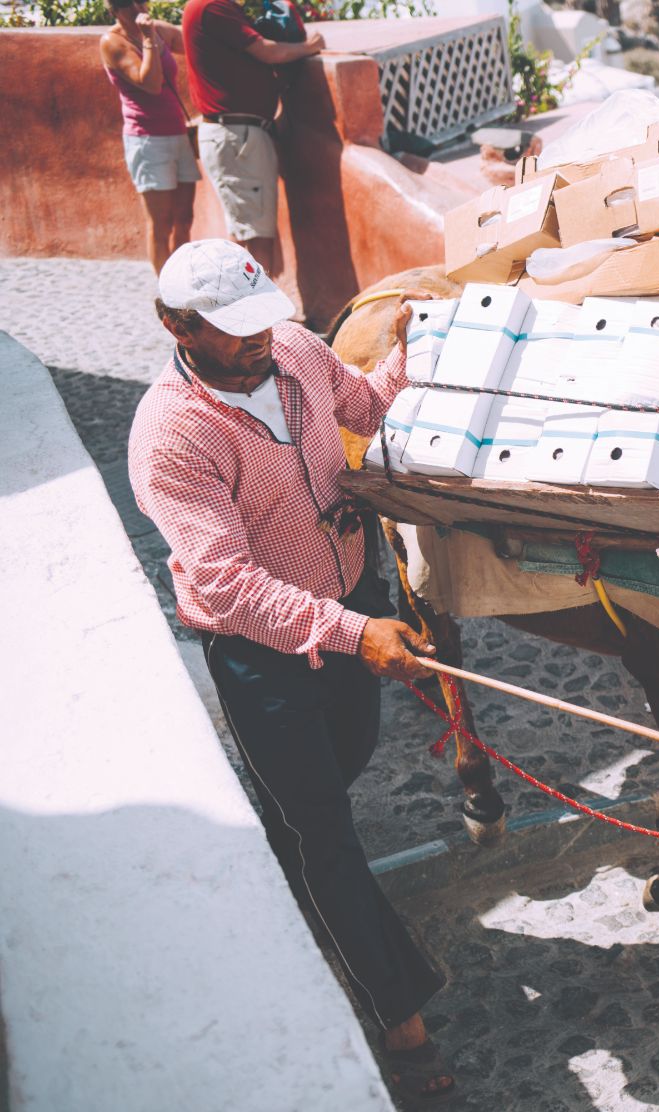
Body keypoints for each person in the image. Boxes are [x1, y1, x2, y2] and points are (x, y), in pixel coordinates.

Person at [128, 239, 457, 1104]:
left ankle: (283, 855)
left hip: (351, 612)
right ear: (176, 327)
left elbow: (368, 405)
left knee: (333, 779)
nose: (257, 340)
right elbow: (226, 586)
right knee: (326, 835)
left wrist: (415, 352)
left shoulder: (294, 348)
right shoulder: (172, 436)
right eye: (232, 331)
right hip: (263, 658)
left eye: (260, 319)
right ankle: (402, 1020)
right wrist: (353, 633)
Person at [181, 0, 322, 273]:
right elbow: (266, 52)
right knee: (255, 240)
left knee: (250, 232)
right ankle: (257, 313)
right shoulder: (213, 7)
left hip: (238, 135)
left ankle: (252, 310)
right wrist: (310, 45)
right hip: (237, 137)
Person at [100, 0, 197, 274]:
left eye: (141, 1)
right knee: (161, 222)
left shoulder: (160, 31)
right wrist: (148, 40)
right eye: (129, 4)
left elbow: (194, 43)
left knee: (184, 217)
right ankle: (167, 293)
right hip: (147, 140)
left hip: (177, 133)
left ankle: (182, 281)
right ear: (115, 10)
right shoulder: (112, 42)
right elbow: (151, 84)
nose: (138, 8)